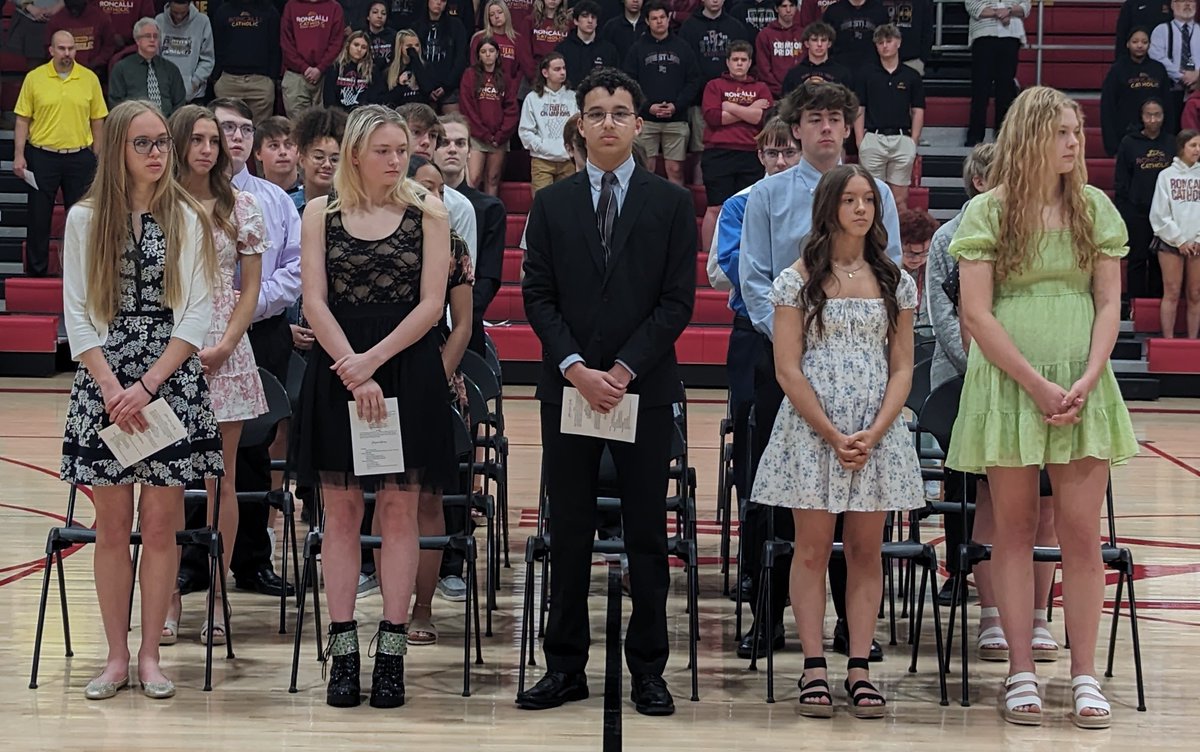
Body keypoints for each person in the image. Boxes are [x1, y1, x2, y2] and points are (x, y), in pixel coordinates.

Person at [948, 85, 1138, 729]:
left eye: (1077, 131)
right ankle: (1020, 671)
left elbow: (1108, 303)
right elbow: (977, 313)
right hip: (1010, 387)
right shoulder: (988, 212)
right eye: (1062, 131)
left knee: (1082, 535)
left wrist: (1089, 376)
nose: (1074, 142)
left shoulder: (1095, 208)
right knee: (1015, 529)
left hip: (1084, 387)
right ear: (1030, 136)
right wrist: (1035, 384)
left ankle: (1084, 675)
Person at [517, 67, 697, 717]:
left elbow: (677, 303)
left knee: (647, 533)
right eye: (597, 113)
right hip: (569, 388)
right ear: (581, 125)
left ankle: (648, 668)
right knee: (568, 530)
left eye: (620, 113)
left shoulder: (671, 203)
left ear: (639, 124)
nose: (609, 123)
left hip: (640, 390)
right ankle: (565, 666)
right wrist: (575, 368)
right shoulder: (551, 204)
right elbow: (537, 296)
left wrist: (620, 372)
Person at [60, 99, 222, 701]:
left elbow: (197, 312)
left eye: (162, 143)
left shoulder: (187, 215)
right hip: (105, 380)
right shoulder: (85, 218)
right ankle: (116, 656)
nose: (158, 153)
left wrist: (149, 385)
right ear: (117, 151)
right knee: (110, 527)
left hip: (167, 377)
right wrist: (110, 385)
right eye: (144, 143)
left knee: (159, 526)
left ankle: (151, 654)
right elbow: (76, 312)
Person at [736, 80, 901, 660]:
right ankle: (766, 616)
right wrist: (797, 341)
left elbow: (890, 272)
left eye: (836, 117)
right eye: (815, 119)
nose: (826, 127)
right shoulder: (766, 195)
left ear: (850, 126)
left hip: (860, 365)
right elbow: (754, 279)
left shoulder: (877, 193)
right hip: (782, 359)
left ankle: (853, 630)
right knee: (773, 492)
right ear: (797, 128)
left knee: (858, 505)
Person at [297, 104, 455, 708]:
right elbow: (314, 301)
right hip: (337, 368)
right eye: (384, 151)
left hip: (406, 366)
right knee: (341, 513)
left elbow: (431, 304)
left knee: (397, 510)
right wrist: (351, 367)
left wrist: (373, 363)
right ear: (355, 154)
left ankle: (391, 648)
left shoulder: (429, 212)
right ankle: (342, 648)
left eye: (402, 151)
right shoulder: (320, 213)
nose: (396, 161)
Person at [751, 164, 921, 718]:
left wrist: (877, 429)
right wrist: (830, 431)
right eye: (849, 199)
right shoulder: (795, 280)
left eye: (868, 199)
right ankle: (813, 665)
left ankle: (860, 666)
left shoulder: (896, 281)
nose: (861, 208)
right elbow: (787, 368)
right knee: (812, 549)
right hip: (812, 430)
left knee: (867, 552)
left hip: (876, 430)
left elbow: (902, 367)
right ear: (829, 207)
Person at [926, 143, 1061, 658]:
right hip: (973, 381)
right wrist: (990, 370)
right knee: (990, 498)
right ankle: (991, 614)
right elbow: (952, 318)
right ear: (980, 182)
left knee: (1045, 503)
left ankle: (1039, 615)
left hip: (1041, 381)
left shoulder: (1040, 228)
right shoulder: (950, 237)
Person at [162, 104, 269, 646]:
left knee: (220, 477)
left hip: (225, 343)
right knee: (164, 479)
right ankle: (167, 594)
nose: (208, 148)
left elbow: (250, 287)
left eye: (214, 140)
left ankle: (218, 595)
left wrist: (227, 342)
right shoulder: (156, 201)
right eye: (198, 139)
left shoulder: (240, 203)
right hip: (166, 338)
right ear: (179, 143)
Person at [708, 118, 800, 609]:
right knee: (754, 453)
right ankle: (753, 570)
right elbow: (732, 267)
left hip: (813, 335)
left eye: (789, 153)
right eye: (772, 153)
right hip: (754, 333)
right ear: (760, 155)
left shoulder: (822, 198)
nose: (780, 162)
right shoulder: (740, 203)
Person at [404, 153, 475, 645]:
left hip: (435, 376)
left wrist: (434, 381)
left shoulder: (453, 243)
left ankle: (423, 607)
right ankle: (390, 602)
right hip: (379, 378)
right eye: (423, 186)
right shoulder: (374, 232)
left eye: (438, 188)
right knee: (386, 496)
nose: (433, 195)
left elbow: (463, 325)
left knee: (429, 497)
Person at [13, 30, 106, 278]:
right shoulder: (34, 78)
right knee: (38, 216)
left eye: (71, 48)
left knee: (82, 218)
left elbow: (98, 120)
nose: (67, 53)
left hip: (79, 156)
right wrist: (19, 155)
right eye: (62, 48)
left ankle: (81, 272)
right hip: (42, 155)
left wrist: (97, 155)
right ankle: (36, 272)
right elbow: (22, 119)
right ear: (51, 50)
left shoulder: (89, 78)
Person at [700, 40, 773, 253]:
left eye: (743, 60)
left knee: (749, 208)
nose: (739, 63)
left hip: (751, 153)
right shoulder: (714, 85)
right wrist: (750, 110)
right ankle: (708, 258)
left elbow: (763, 119)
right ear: (728, 62)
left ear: (750, 63)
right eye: (735, 59)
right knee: (715, 207)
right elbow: (714, 117)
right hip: (718, 152)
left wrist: (730, 106)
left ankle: (747, 253)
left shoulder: (761, 88)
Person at [624, 1, 702, 185]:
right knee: (645, 168)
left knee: (675, 169)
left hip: (676, 118)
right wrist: (647, 106)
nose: (659, 22)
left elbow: (694, 81)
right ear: (647, 21)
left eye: (662, 17)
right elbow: (629, 82)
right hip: (645, 119)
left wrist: (677, 105)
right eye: (654, 18)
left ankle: (676, 204)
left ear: (668, 19)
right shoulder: (637, 49)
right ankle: (645, 204)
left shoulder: (683, 47)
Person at [396, 102, 479, 264]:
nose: (426, 141)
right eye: (416, 132)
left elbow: (465, 272)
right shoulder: (373, 193)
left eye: (433, 135)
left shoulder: (459, 206)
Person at [854, 23, 923, 208]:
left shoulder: (912, 76)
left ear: (898, 42)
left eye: (889, 41)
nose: (885, 46)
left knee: (900, 200)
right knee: (869, 198)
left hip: (902, 139)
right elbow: (859, 108)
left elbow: (917, 110)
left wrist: (913, 141)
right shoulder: (865, 74)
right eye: (880, 42)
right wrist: (860, 141)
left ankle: (897, 229)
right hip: (873, 138)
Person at [1116, 97, 1172, 301]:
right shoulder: (1129, 143)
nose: (1153, 119)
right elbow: (1121, 180)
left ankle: (1156, 301)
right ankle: (1134, 303)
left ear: (1164, 116)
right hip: (1138, 211)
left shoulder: (1171, 143)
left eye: (1157, 115)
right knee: (1137, 259)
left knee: (1160, 260)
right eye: (1149, 115)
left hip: (1165, 214)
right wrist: (1126, 210)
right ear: (1141, 116)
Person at [1149, 127, 1200, 337]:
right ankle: (1168, 341)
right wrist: (1179, 240)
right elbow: (1159, 213)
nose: (1197, 150)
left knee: (1195, 294)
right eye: (1193, 145)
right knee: (1171, 292)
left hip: (1197, 244)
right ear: (1181, 148)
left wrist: (1198, 239)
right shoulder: (1166, 176)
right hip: (1170, 243)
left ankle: (1193, 342)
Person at [461, 37, 520, 195]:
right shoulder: (470, 75)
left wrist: (500, 135)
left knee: (493, 178)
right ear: (478, 55)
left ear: (497, 54)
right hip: (477, 135)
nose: (488, 54)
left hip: (499, 137)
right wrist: (484, 134)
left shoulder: (505, 78)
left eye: (491, 51)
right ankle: (471, 210)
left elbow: (511, 109)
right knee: (473, 178)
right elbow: (467, 108)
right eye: (483, 51)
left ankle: (490, 210)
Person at [964, 0, 1028, 147]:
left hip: (1011, 37)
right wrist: (1000, 13)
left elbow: (1025, 6)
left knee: (1006, 90)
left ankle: (1003, 137)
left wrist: (1009, 11)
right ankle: (975, 137)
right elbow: (972, 5)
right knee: (980, 89)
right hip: (983, 37)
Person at [1101, 26, 1172, 157]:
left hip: (1155, 132)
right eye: (1135, 42)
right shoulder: (1117, 70)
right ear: (1128, 44)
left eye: (1144, 42)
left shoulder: (1158, 69)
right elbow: (1108, 105)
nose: (1140, 45)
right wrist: (1112, 144)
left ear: (1149, 44)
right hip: (1125, 131)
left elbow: (1167, 103)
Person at [212, 0, 282, 124]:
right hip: (229, 81)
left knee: (260, 131)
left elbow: (275, 48)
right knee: (227, 129)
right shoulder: (223, 11)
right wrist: (217, 77)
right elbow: (216, 46)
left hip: (260, 82)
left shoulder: (269, 11)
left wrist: (271, 79)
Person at [519, 52, 579, 195]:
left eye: (564, 68)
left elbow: (579, 128)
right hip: (542, 162)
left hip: (568, 161)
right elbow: (525, 131)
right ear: (545, 73)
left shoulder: (573, 97)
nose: (562, 72)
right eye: (557, 69)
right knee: (541, 203)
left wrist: (571, 149)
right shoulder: (532, 98)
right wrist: (542, 146)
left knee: (568, 203)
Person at [108, 18, 187, 118]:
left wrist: (171, 123)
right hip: (133, 122)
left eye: (156, 36)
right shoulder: (121, 68)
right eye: (147, 36)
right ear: (137, 40)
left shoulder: (171, 69)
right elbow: (116, 103)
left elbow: (179, 102)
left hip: (168, 123)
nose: (152, 40)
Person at [281, 0, 346, 117]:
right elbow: (286, 43)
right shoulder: (291, 6)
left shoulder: (335, 7)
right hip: (296, 76)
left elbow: (337, 43)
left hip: (325, 77)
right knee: (297, 124)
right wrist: (304, 68)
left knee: (324, 123)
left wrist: (320, 68)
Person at [1149, 0, 1200, 127]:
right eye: (1182, 1)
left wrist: (1197, 74)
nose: (1187, 4)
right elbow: (1157, 57)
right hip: (1170, 92)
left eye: (1191, 1)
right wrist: (1181, 76)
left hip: (1197, 92)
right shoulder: (1161, 30)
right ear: (1172, 5)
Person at [413, 0, 469, 112]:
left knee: (453, 120)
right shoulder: (416, 27)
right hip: (422, 87)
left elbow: (460, 58)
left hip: (450, 87)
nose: (439, 3)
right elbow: (414, 59)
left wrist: (446, 86)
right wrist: (427, 89)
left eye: (443, 1)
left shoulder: (456, 26)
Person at [157, 0, 216, 105]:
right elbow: (155, 57)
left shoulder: (202, 22)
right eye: (175, 12)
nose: (179, 16)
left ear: (189, 5)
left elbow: (208, 59)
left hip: (194, 95)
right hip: (164, 92)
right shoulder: (159, 21)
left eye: (183, 13)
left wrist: (194, 83)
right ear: (169, 6)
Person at [472, 0, 535, 87]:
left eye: (500, 12)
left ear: (506, 13)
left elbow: (521, 68)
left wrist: (513, 86)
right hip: (485, 86)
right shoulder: (479, 38)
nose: (496, 16)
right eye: (492, 14)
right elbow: (474, 66)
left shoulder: (517, 39)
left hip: (510, 88)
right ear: (488, 18)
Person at [556, 1, 620, 86]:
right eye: (585, 16)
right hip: (570, 93)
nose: (590, 21)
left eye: (593, 17)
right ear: (575, 21)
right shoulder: (562, 49)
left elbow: (615, 80)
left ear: (597, 22)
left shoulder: (609, 50)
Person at [781, 21, 854, 95]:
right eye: (814, 40)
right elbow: (786, 101)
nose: (819, 44)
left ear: (829, 44)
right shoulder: (794, 75)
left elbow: (849, 101)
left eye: (823, 40)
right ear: (807, 43)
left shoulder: (842, 74)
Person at [45, 0, 115, 72]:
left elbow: (109, 45)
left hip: (94, 69)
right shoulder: (55, 20)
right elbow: (49, 48)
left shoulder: (101, 17)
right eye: (71, 8)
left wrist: (96, 63)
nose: (74, 11)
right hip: (64, 69)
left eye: (77, 7)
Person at [324, 30, 385, 112]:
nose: (359, 49)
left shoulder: (373, 70)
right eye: (356, 45)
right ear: (348, 45)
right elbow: (329, 99)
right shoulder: (335, 68)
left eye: (363, 47)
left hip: (363, 115)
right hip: (339, 115)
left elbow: (377, 98)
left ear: (367, 51)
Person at [755, 0, 805, 98]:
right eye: (784, 6)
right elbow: (763, 68)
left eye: (791, 6)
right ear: (776, 9)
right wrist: (779, 90)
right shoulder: (765, 35)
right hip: (773, 94)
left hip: (800, 94)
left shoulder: (803, 34)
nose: (788, 10)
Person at [822, 0, 889, 71]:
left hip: (873, 68)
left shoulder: (879, 10)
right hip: (839, 69)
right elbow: (825, 42)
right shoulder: (833, 11)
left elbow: (886, 41)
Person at [255, 116, 304, 207]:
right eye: (274, 145)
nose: (283, 152)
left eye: (288, 144)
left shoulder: (312, 193)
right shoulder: (251, 198)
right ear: (258, 153)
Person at [897, 207, 934, 324]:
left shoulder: (933, 268)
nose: (917, 259)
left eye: (924, 252)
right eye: (910, 253)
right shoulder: (888, 270)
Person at [881, 0, 932, 75]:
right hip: (881, 60)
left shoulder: (922, 2)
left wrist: (922, 59)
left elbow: (927, 30)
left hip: (912, 61)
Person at [381, 29, 428, 107]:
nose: (414, 49)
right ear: (400, 47)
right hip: (399, 110)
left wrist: (416, 62)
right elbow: (386, 100)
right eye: (409, 46)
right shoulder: (388, 72)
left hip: (420, 110)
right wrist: (400, 85)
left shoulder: (425, 67)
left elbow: (428, 90)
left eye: (417, 45)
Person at [528, 0, 575, 67]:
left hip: (561, 68)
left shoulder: (569, 24)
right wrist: (534, 71)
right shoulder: (530, 21)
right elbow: (524, 52)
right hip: (536, 68)